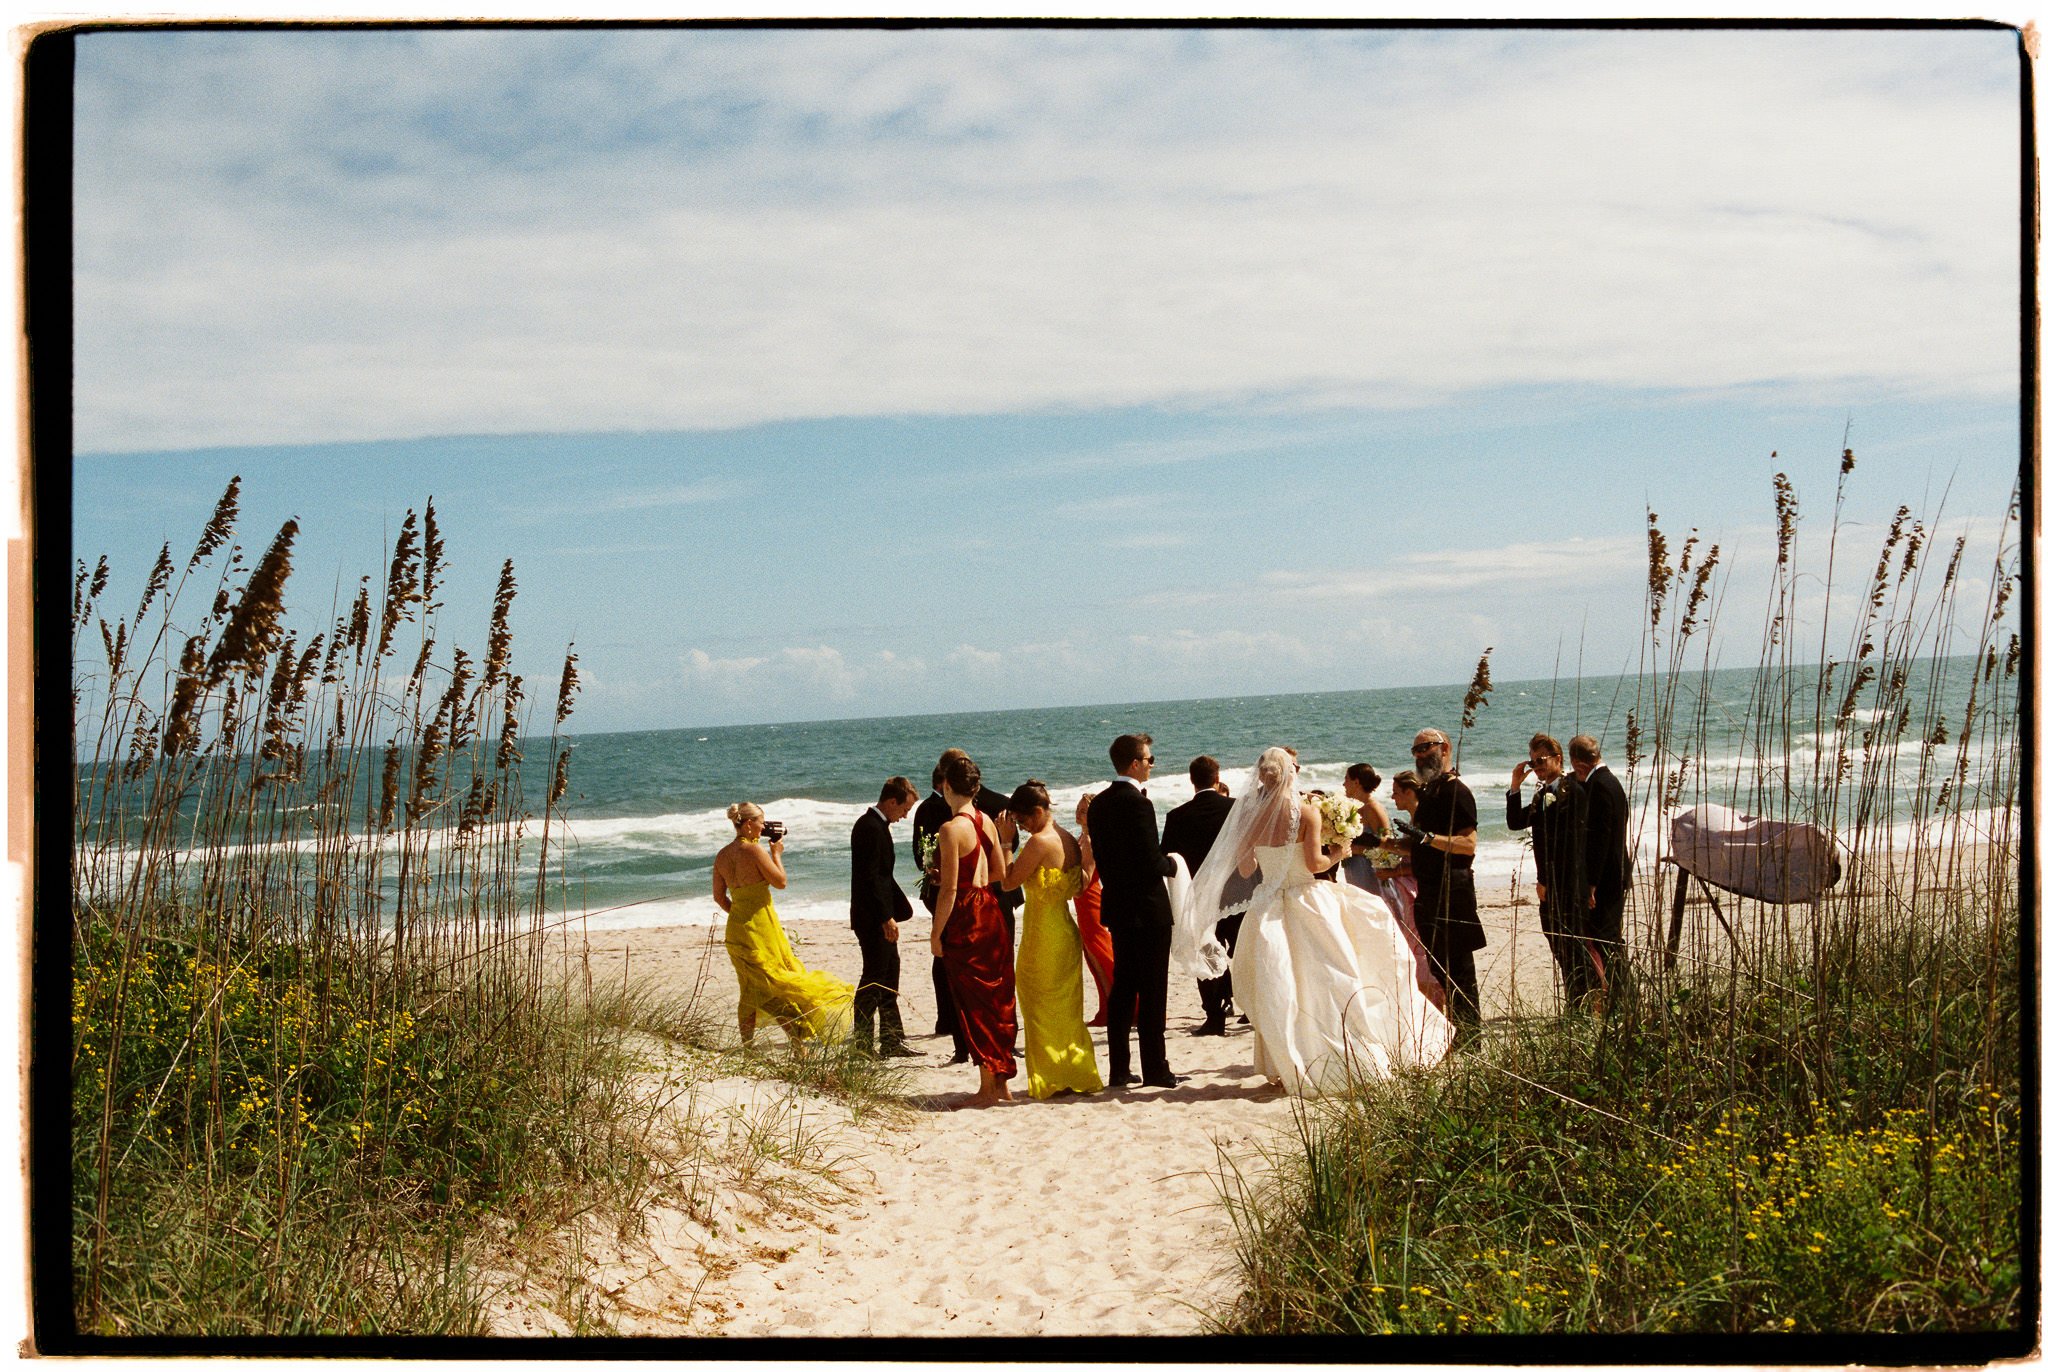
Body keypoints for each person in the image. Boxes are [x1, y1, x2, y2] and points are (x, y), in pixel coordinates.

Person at [1177, 747, 1454, 1095]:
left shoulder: (1252, 817)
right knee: (1332, 974)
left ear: (1262, 776)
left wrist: (1269, 862)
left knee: (1282, 985)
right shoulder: (1306, 813)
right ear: (1290, 774)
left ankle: (1284, 1061)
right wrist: (1340, 849)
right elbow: (1314, 865)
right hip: (1307, 899)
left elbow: (1247, 869)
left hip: (1268, 907)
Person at [1077, 733, 1180, 1089]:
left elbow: (1105, 856)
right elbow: (1149, 859)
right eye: (1150, 760)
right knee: (1152, 990)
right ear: (1135, 764)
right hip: (1147, 908)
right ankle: (1156, 1067)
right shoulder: (1138, 803)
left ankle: (1119, 1068)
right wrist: (1172, 865)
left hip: (1118, 905)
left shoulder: (1100, 804)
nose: (1152, 765)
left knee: (1122, 989)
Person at [713, 802, 854, 1045]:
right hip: (762, 927)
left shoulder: (722, 855)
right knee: (778, 984)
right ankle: (798, 1042)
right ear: (747, 825)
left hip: (737, 929)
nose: (763, 827)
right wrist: (776, 854)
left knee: (749, 987)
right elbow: (780, 882)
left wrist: (739, 914)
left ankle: (748, 1045)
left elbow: (718, 897)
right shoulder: (755, 851)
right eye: (760, 823)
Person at [1001, 780, 1103, 1099]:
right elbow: (1082, 884)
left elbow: (1008, 882)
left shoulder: (1039, 843)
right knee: (1066, 1010)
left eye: (1022, 821)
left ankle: (1052, 1077)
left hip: (1042, 935)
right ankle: (1073, 1071)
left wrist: (1006, 843)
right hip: (1064, 929)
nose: (1020, 827)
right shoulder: (1069, 839)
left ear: (1038, 812)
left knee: (1039, 1008)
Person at [929, 754, 1017, 1107]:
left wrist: (936, 934)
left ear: (948, 787)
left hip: (966, 911)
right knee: (997, 997)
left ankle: (986, 1087)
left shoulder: (951, 829)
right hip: (991, 909)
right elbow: (999, 874)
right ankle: (1003, 1083)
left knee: (972, 1000)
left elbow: (949, 889)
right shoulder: (985, 822)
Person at [1391, 728, 1485, 1030]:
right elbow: (1417, 844)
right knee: (1438, 966)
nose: (1420, 755)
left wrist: (1429, 838)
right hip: (1428, 890)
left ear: (1444, 748)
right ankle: (1454, 1030)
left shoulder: (1456, 791)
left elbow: (1468, 844)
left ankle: (1470, 1036)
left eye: (1426, 748)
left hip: (1453, 889)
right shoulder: (1429, 791)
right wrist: (1378, 843)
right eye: (1416, 750)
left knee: (1459, 968)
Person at [1507, 734, 1595, 1008]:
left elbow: (1568, 845)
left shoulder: (1572, 791)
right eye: (1533, 762)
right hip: (1551, 885)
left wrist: (1546, 880)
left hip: (1567, 883)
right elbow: (1515, 822)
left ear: (1558, 759)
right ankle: (1577, 1003)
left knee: (1573, 947)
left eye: (1542, 760)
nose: (1537, 766)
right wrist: (1515, 786)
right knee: (1558, 945)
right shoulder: (1542, 793)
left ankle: (1585, 1003)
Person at [1161, 755, 1237, 1037]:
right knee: (1239, 949)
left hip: (1197, 894)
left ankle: (1214, 1017)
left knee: (1204, 951)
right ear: (1217, 779)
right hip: (1234, 890)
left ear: (1192, 780)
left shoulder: (1177, 816)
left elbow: (1166, 857)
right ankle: (1245, 1005)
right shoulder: (1235, 808)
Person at [849, 775, 923, 1056]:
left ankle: (892, 1041)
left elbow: (882, 877)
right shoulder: (869, 827)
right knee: (874, 980)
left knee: (890, 977)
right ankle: (863, 1045)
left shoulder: (878, 825)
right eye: (904, 810)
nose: (905, 816)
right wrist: (885, 918)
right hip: (871, 919)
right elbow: (871, 879)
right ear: (892, 801)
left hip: (879, 914)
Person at [1569, 733, 1634, 1008]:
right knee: (1609, 938)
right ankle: (1622, 996)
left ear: (1578, 763)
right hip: (1617, 871)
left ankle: (1624, 997)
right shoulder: (1613, 782)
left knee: (1606, 940)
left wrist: (1591, 884)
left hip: (1606, 878)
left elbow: (1600, 840)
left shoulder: (1598, 786)